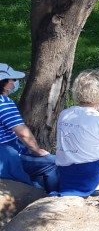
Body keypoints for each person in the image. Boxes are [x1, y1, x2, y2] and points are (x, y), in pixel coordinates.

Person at [0, 63, 58, 192]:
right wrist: (36, 150)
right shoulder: (4, 103)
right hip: (6, 157)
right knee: (52, 163)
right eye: (13, 80)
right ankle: (54, 197)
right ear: (4, 82)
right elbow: (23, 133)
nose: (15, 83)